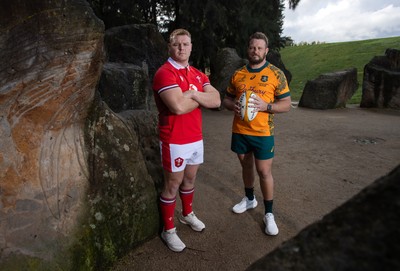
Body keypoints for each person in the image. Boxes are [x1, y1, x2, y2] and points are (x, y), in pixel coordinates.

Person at [152, 28, 221, 252]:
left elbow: (217, 100)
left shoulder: (199, 74)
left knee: (190, 181)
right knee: (172, 184)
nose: (181, 48)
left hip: (195, 138)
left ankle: (187, 214)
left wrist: (191, 94)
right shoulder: (165, 73)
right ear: (169, 47)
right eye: (176, 44)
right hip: (174, 140)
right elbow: (178, 107)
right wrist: (200, 98)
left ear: (191, 47)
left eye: (186, 44)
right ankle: (168, 230)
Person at [222, 32, 291, 236]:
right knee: (246, 165)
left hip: (263, 132)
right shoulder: (238, 74)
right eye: (253, 47)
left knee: (264, 171)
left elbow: (286, 104)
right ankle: (250, 199)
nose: (256, 51)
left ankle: (269, 213)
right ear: (248, 49)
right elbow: (225, 100)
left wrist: (266, 105)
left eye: (260, 48)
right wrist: (232, 104)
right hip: (240, 130)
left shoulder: (275, 74)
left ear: (266, 51)